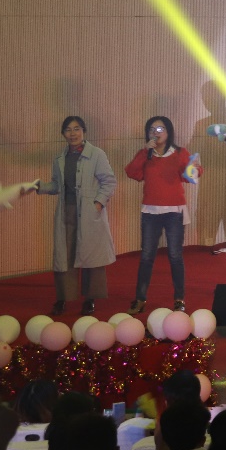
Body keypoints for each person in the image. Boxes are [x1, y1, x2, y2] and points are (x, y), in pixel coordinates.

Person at [34, 115, 116, 316]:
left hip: (89, 213)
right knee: (65, 256)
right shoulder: (59, 159)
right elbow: (56, 185)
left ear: (84, 131)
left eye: (77, 129)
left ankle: (90, 299)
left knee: (90, 256)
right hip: (66, 213)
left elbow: (109, 181)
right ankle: (63, 298)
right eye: (68, 130)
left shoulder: (96, 154)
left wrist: (98, 203)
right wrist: (39, 187)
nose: (73, 133)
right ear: (63, 134)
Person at [124, 115, 198, 314]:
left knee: (175, 256)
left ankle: (179, 299)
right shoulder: (146, 154)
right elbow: (132, 173)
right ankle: (140, 299)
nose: (156, 133)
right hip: (150, 212)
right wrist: (145, 152)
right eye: (152, 130)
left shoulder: (180, 153)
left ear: (168, 131)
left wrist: (194, 168)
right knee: (147, 256)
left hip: (174, 212)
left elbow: (193, 174)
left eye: (160, 129)